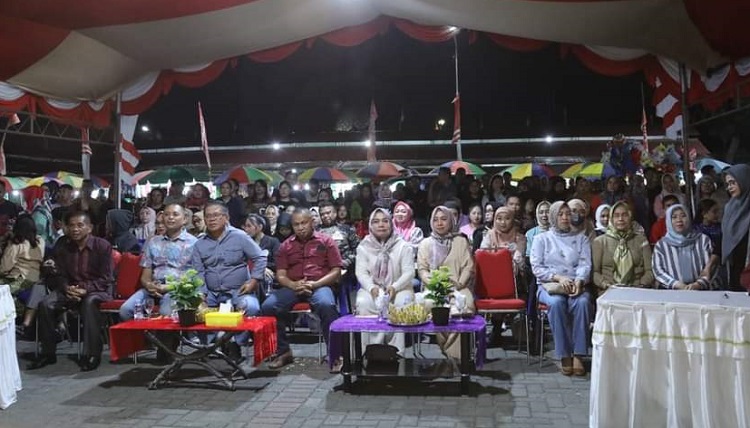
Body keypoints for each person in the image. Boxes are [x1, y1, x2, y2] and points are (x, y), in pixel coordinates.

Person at [28, 212, 114, 371]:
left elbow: (106, 278)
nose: (75, 229)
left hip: (97, 289)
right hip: (71, 288)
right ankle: (48, 353)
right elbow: (59, 274)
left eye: (80, 225)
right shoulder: (64, 246)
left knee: (89, 303)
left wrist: (84, 289)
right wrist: (66, 288)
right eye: (72, 226)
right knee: (46, 304)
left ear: (89, 228)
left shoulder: (102, 246)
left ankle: (92, 354)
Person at [261, 208, 343, 370]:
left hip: (319, 285)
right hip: (293, 286)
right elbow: (281, 275)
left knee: (327, 305)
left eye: (304, 223)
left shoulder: (326, 241)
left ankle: (335, 354)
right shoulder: (286, 246)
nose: (300, 227)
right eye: (296, 224)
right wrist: (293, 285)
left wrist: (315, 284)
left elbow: (336, 271)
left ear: (312, 222)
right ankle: (283, 352)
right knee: (268, 306)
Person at [191, 201, 267, 360]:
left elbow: (260, 257)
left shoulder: (240, 237)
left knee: (251, 307)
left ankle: (235, 344)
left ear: (226, 218)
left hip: (238, 290)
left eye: (216, 215)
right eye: (208, 216)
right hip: (211, 293)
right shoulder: (199, 244)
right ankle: (211, 345)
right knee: (194, 309)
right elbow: (198, 272)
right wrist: (201, 294)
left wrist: (254, 280)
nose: (212, 219)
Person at [530, 201, 592, 376]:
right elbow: (537, 267)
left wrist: (579, 281)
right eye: (560, 214)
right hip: (550, 286)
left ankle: (579, 354)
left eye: (568, 214)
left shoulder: (581, 239)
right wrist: (558, 277)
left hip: (575, 284)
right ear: (553, 217)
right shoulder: (541, 239)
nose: (565, 217)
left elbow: (585, 264)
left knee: (583, 302)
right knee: (557, 303)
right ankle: (564, 354)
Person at [119, 204, 197, 321]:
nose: (170, 217)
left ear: (184, 219)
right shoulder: (153, 242)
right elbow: (145, 275)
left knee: (165, 313)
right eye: (167, 214)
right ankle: (144, 333)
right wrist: (148, 285)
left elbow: (195, 278)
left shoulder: (194, 243)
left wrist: (168, 287)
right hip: (153, 289)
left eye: (175, 214)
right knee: (126, 310)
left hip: (178, 290)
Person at [417, 206, 475, 359]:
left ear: (451, 221)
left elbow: (468, 266)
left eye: (443, 219)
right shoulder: (426, 243)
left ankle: (454, 355)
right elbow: (422, 270)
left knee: (464, 307)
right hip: (434, 289)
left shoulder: (460, 241)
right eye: (436, 220)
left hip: (459, 287)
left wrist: (458, 284)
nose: (439, 223)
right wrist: (436, 285)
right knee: (432, 305)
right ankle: (451, 353)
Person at [355, 209, 415, 353]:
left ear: (391, 224)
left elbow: (409, 272)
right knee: (363, 302)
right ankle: (370, 352)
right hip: (372, 289)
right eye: (376, 222)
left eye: (385, 221)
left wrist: (395, 287)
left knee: (402, 302)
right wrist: (371, 288)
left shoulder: (403, 246)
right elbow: (361, 272)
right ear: (370, 225)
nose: (381, 225)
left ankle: (397, 353)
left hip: (400, 288)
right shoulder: (363, 246)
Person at [592, 201, 654, 293]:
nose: (620, 219)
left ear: (630, 217)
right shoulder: (600, 241)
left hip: (638, 290)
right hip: (609, 290)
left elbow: (650, 270)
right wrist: (605, 284)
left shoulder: (641, 240)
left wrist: (641, 284)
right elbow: (595, 272)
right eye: (616, 216)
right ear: (611, 219)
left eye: (625, 215)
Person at [653, 204, 712, 290]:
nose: (679, 220)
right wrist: (677, 284)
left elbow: (711, 266)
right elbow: (658, 271)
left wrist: (698, 284)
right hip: (672, 292)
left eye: (683, 216)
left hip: (701, 291)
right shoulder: (661, 245)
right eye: (674, 217)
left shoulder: (703, 240)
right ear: (668, 221)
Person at [1, 215, 44, 307]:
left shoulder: (16, 244)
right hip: (35, 278)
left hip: (19, 278)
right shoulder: (40, 241)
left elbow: (4, 268)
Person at [721, 164, 750, 291]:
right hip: (734, 266)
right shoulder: (730, 207)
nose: (729, 187)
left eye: (733, 183)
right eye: (728, 184)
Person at [242, 214, 281, 300]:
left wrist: (263, 267)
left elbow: (277, 262)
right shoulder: (246, 242)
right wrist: (260, 268)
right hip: (250, 273)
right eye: (245, 226)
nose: (246, 229)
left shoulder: (273, 242)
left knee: (261, 278)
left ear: (260, 227)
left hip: (270, 275)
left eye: (249, 226)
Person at [480, 206, 526, 274]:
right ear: (495, 220)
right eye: (499, 219)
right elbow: (483, 254)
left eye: (507, 218)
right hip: (491, 272)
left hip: (513, 274)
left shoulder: (520, 238)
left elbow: (519, 260)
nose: (503, 222)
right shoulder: (489, 235)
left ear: (512, 220)